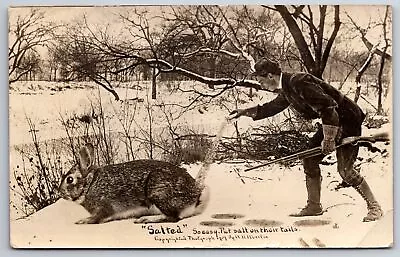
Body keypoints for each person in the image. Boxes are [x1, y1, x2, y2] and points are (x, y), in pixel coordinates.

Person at [230, 58, 383, 222]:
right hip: (331, 120)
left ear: (269, 76)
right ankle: (314, 206)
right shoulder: (287, 88)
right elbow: (271, 108)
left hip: (347, 119)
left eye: (261, 81)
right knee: (309, 159)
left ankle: (375, 207)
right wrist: (246, 111)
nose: (261, 85)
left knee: (345, 170)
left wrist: (329, 139)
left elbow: (328, 108)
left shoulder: (299, 82)